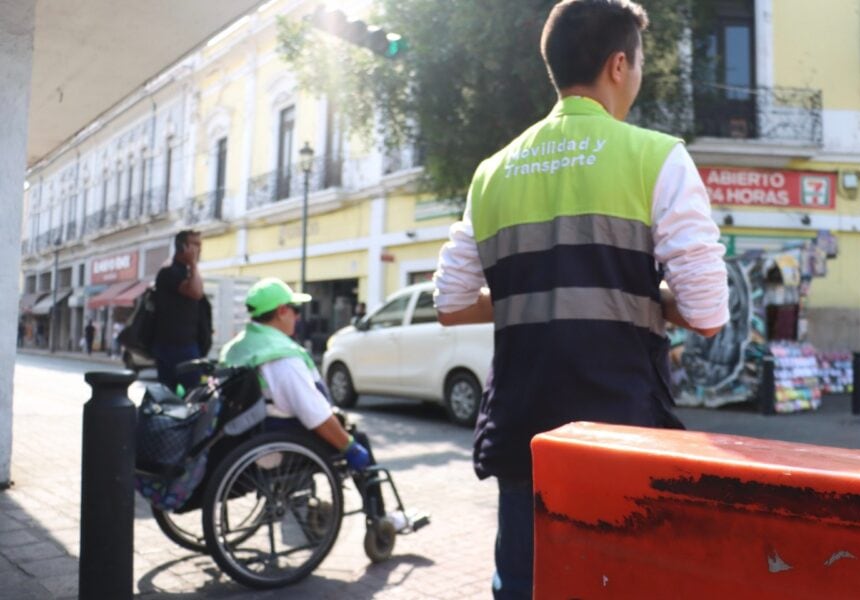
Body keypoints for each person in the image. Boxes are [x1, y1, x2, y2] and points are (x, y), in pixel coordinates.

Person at [433, 1, 729, 597]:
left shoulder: (492, 172)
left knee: (522, 585)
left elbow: (451, 302)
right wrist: (641, 295)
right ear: (619, 65)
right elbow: (707, 315)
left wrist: (532, 292)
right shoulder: (657, 157)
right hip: (622, 436)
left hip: (525, 436)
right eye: (640, 63)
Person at [220, 277, 411, 531]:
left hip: (245, 435)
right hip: (274, 444)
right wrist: (351, 448)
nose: (298, 318)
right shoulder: (282, 357)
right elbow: (315, 416)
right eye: (295, 311)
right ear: (281, 311)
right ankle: (380, 519)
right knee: (356, 439)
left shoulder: (236, 348)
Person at [153, 230, 210, 392]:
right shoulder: (169, 272)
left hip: (187, 344)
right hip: (175, 346)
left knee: (188, 395)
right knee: (194, 394)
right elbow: (196, 292)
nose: (199, 249)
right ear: (182, 246)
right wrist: (193, 264)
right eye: (196, 245)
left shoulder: (186, 272)